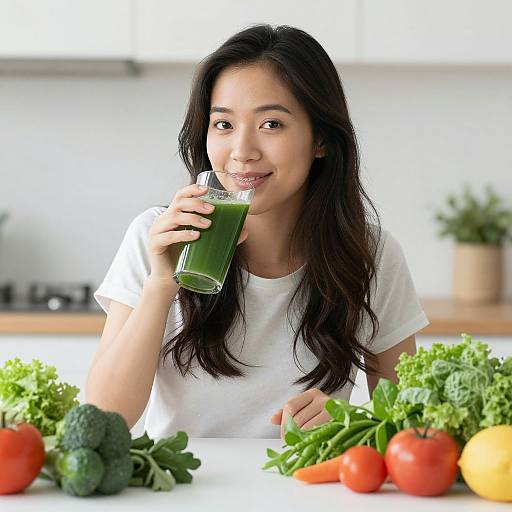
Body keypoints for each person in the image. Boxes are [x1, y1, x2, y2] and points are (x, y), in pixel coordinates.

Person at [86, 24, 429, 439]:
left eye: (271, 124)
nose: (243, 152)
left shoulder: (369, 253)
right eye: (224, 125)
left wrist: (354, 421)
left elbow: (415, 424)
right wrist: (162, 283)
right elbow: (105, 418)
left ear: (320, 138)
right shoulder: (156, 236)